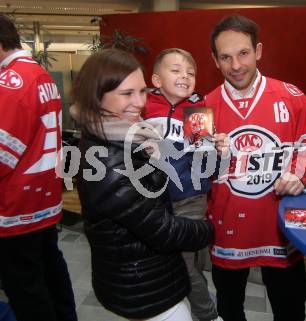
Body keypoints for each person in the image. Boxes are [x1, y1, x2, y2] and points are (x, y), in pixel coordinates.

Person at [71, 48, 214, 321]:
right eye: (127, 93)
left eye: (141, 92)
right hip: (140, 278)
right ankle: (208, 313)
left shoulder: (125, 128)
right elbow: (162, 229)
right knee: (188, 272)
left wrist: (215, 152)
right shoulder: (113, 152)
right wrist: (212, 230)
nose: (138, 102)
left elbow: (202, 161)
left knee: (190, 267)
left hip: (182, 205)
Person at [206, 15, 306, 321]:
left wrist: (299, 175)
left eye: (243, 53)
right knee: (230, 310)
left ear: (258, 50)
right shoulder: (204, 108)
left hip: (280, 228)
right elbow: (193, 173)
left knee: (290, 311)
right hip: (228, 228)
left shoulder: (292, 96)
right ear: (215, 60)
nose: (235, 65)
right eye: (226, 57)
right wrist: (206, 154)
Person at [0, 14, 77, 321]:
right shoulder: (39, 75)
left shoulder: (11, 83)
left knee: (25, 287)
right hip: (43, 198)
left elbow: (3, 153)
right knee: (50, 270)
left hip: (17, 206)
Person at [144, 48, 220, 321]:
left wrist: (209, 148)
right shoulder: (144, 105)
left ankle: (207, 314)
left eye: (190, 72)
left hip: (189, 199)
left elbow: (205, 162)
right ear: (156, 79)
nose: (184, 76)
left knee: (184, 263)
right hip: (153, 199)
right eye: (175, 70)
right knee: (162, 259)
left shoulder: (197, 109)